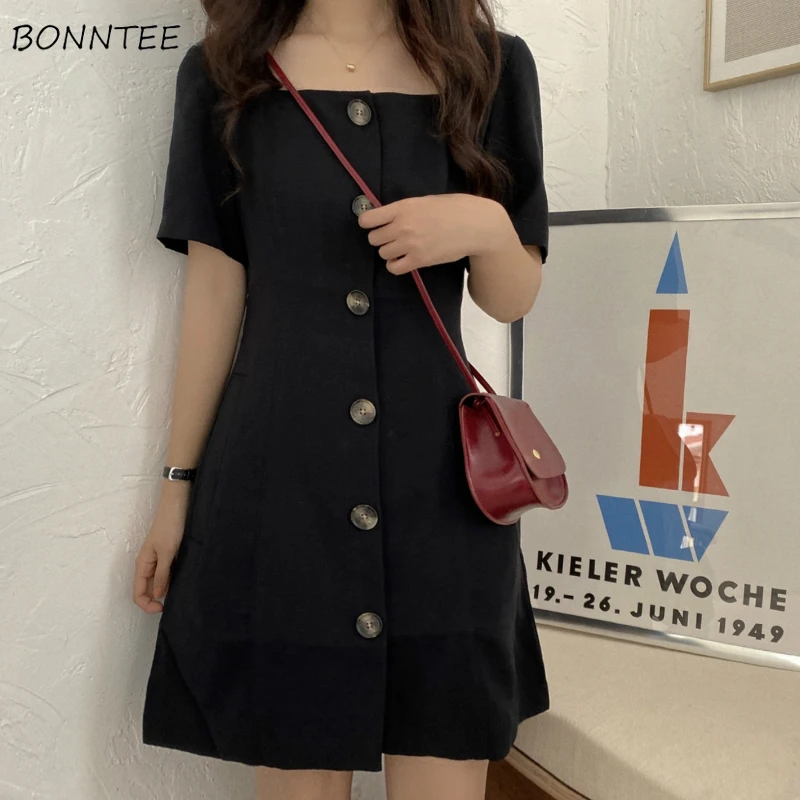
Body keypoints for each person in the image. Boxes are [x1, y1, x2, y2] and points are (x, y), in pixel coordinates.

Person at [133, 0, 551, 797]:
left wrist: (486, 226)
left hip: (444, 498)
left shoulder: (491, 65)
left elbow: (512, 296)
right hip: (284, 487)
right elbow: (215, 294)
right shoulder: (225, 73)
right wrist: (175, 490)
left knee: (447, 738)